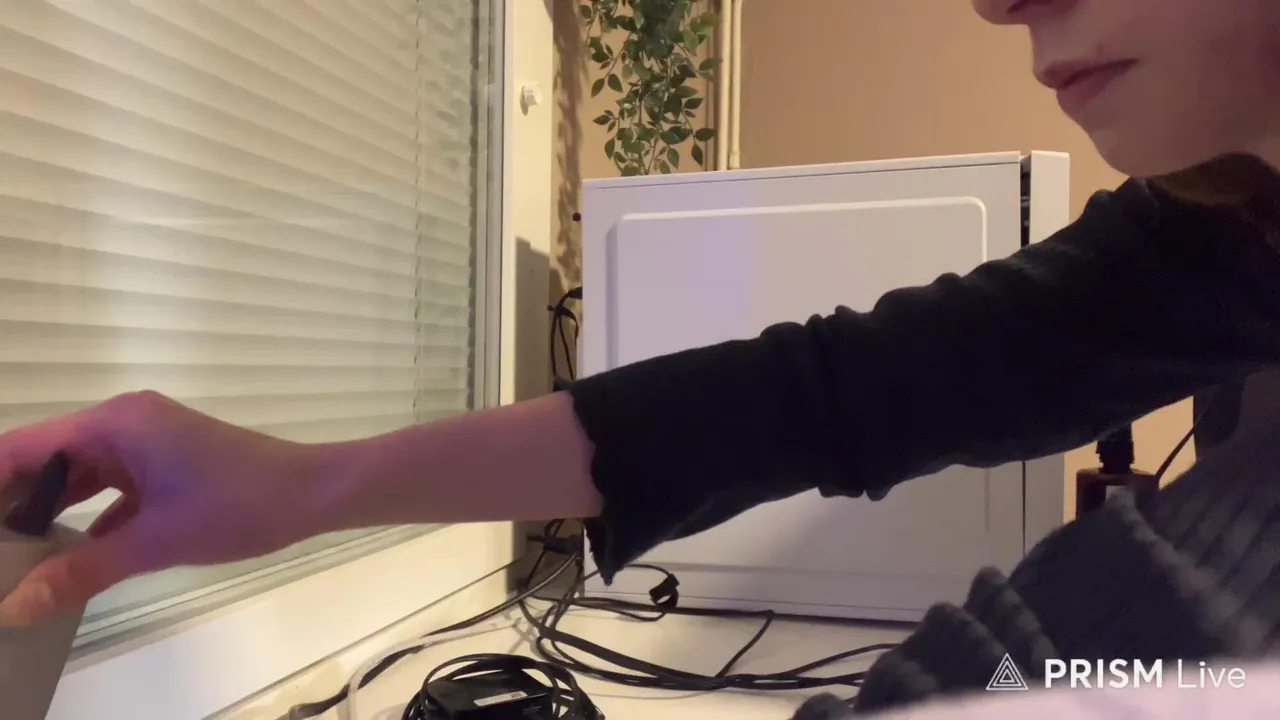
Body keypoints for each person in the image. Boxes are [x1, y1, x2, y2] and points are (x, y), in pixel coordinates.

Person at [3, 0, 1280, 714]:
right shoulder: (1222, 226)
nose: (995, 0)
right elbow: (823, 394)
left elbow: (1113, 642)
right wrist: (302, 486)